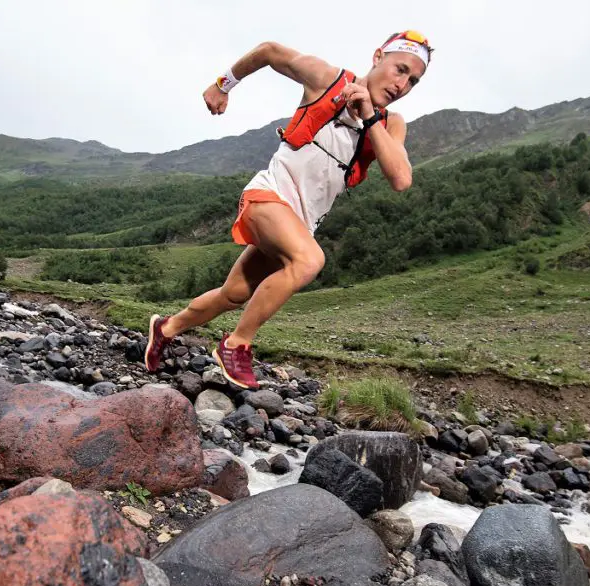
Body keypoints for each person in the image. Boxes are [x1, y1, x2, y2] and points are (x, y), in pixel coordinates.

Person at [143, 30, 433, 389]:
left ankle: (165, 328)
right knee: (309, 261)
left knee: (233, 295)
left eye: (413, 80)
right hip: (267, 197)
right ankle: (236, 345)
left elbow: (401, 179)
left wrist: (370, 116)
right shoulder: (327, 79)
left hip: (298, 223)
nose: (402, 84)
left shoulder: (391, 124)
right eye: (400, 69)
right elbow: (269, 51)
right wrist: (223, 84)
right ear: (378, 57)